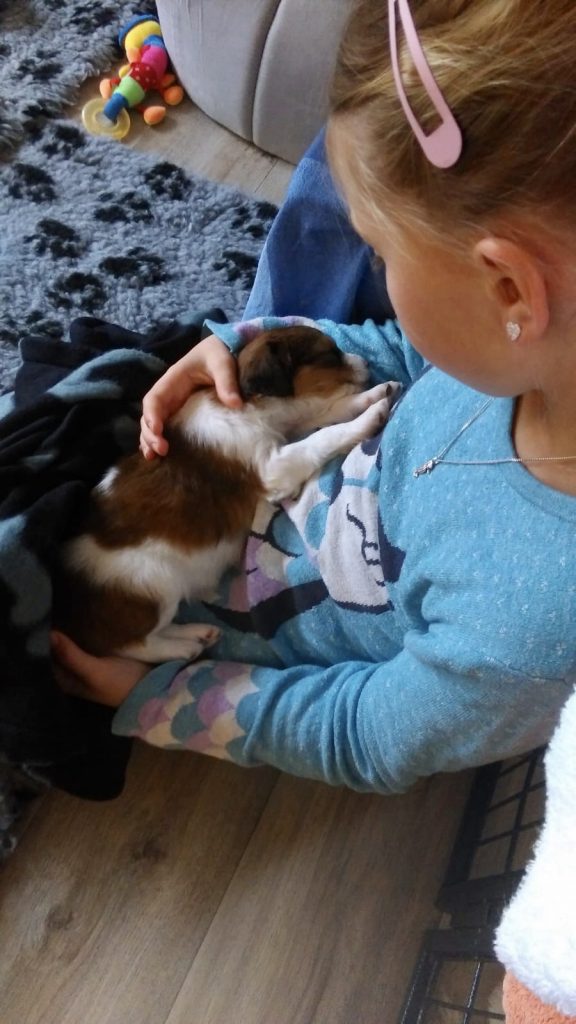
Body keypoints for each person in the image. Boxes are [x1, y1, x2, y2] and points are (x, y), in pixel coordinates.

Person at [53, 0, 576, 793]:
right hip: (263, 455)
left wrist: (154, 697)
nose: (375, 270)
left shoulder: (529, 623)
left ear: (508, 289)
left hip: (216, 626)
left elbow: (363, 733)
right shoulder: (516, 356)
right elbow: (408, 350)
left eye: (380, 253)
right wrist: (239, 348)